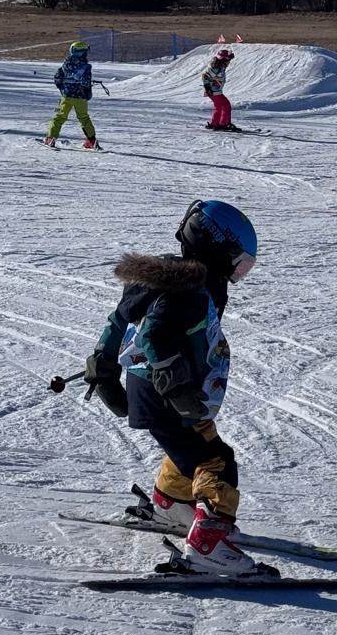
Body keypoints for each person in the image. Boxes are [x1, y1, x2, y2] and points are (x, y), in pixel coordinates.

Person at [83, 199, 269, 575]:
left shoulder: (163, 276)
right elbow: (157, 332)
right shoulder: (193, 290)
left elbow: (119, 321)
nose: (237, 274)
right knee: (215, 461)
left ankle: (171, 501)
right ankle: (207, 547)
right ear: (218, 249)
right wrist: (174, 383)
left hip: (148, 388)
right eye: (238, 263)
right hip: (167, 392)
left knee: (192, 443)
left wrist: (102, 366)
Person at [44, 40, 99, 149]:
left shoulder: (65, 64)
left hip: (66, 96)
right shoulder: (86, 67)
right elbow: (86, 83)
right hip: (81, 98)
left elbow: (57, 78)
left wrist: (63, 89)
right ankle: (91, 141)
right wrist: (87, 93)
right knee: (84, 118)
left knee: (59, 117)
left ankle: (50, 138)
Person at [202, 47, 235, 130]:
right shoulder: (216, 68)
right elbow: (205, 76)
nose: (229, 62)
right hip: (214, 91)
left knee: (219, 106)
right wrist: (207, 87)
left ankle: (215, 123)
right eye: (228, 60)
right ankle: (224, 124)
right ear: (223, 60)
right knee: (226, 105)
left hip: (215, 91)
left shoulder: (220, 67)